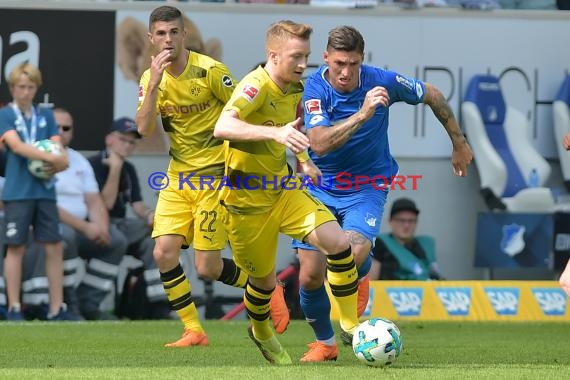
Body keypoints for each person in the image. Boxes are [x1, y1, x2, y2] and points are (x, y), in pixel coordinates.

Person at [291, 25, 472, 362]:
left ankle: (359, 275)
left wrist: (459, 143)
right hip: (319, 185)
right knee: (310, 274)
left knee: (354, 250)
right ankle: (325, 344)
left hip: (367, 186)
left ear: (363, 60)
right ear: (326, 58)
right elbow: (319, 143)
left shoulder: (381, 80)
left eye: (354, 64)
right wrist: (364, 113)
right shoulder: (315, 88)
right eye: (340, 63)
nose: (346, 72)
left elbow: (432, 93)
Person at [135, 5, 288, 347]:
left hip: (215, 178)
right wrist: (156, 83)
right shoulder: (150, 79)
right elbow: (143, 130)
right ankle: (194, 330)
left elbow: (239, 112)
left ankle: (267, 285)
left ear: (184, 34)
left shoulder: (210, 72)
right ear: (151, 38)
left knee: (207, 268)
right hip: (177, 178)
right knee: (163, 252)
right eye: (161, 33)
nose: (168, 39)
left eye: (174, 32)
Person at [213, 20, 361, 365]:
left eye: (306, 56)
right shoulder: (255, 85)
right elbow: (223, 126)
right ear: (273, 55)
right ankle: (260, 331)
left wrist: (304, 159)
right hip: (246, 205)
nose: (302, 63)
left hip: (283, 192)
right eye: (296, 56)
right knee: (263, 285)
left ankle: (351, 324)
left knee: (338, 244)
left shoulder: (297, 88)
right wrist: (276, 134)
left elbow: (292, 132)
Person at [19, 108, 131, 320]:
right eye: (57, 126)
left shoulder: (79, 160)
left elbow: (94, 199)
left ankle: (88, 302)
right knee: (65, 236)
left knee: (116, 240)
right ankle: (67, 303)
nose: (61, 131)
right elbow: (43, 202)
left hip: (80, 227)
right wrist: (86, 227)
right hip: (50, 226)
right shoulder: (36, 155)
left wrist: (101, 227)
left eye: (66, 128)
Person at [0, 62, 71, 321]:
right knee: (15, 247)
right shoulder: (6, 115)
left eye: (30, 87)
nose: (26, 92)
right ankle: (14, 307)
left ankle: (56, 308)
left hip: (45, 191)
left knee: (54, 246)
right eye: (21, 87)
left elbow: (57, 144)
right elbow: (16, 146)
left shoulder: (46, 115)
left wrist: (60, 158)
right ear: (12, 88)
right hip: (18, 192)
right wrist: (55, 159)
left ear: (36, 88)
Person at [87, 117, 172, 320]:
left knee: (159, 238)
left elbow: (136, 205)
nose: (127, 145)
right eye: (122, 139)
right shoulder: (93, 163)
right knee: (118, 238)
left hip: (122, 225)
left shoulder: (129, 168)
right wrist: (115, 169)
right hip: (96, 226)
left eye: (132, 142)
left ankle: (159, 305)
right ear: (109, 139)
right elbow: (105, 205)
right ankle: (88, 303)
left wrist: (151, 215)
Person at [370, 198, 444, 281]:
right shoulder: (380, 244)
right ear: (390, 221)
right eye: (401, 220)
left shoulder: (426, 245)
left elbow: (436, 275)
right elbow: (371, 282)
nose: (406, 225)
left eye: (411, 221)